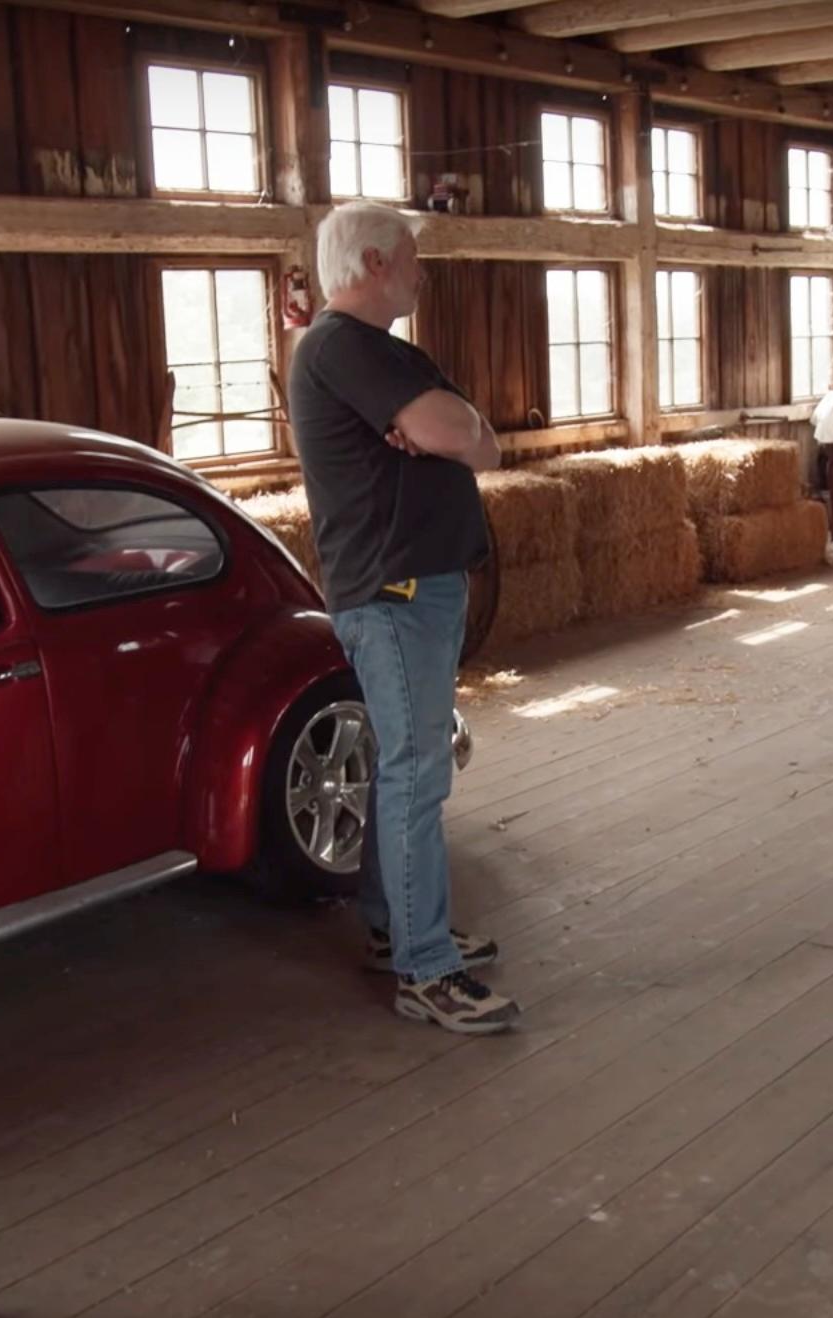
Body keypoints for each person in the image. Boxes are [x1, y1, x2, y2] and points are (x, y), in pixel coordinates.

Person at [286, 200, 520, 1036]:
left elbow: (479, 442)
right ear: (378, 262)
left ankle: (397, 928)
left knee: (403, 764)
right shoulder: (343, 346)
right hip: (395, 594)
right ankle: (427, 971)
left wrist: (458, 431)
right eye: (414, 258)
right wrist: (450, 428)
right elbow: (450, 426)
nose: (422, 272)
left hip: (411, 592)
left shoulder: (367, 351)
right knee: (420, 770)